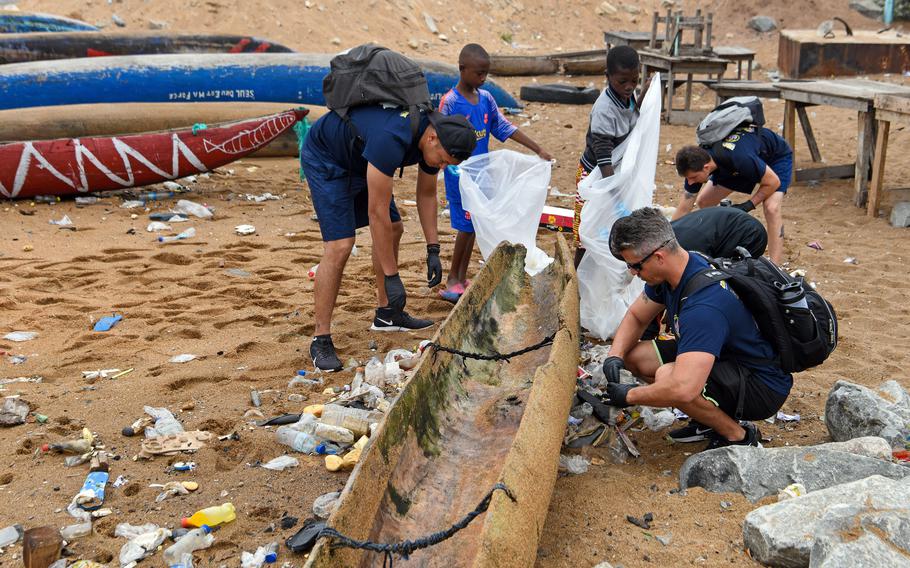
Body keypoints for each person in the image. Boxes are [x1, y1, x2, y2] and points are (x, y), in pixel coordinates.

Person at [301, 103, 476, 371]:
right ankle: (320, 338)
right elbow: (376, 213)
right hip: (328, 159)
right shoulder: (392, 137)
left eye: (446, 165)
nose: (440, 166)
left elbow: (427, 194)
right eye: (441, 160)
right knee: (341, 245)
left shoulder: (433, 137)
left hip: (362, 158)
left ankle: (386, 315)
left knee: (395, 228)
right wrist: (392, 277)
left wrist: (433, 248)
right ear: (432, 138)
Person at [600, 207, 792, 449]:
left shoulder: (704, 307)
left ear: (659, 257)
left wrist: (628, 395)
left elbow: (683, 387)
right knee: (635, 357)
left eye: (636, 266)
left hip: (760, 384)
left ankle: (738, 436)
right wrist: (614, 357)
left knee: (669, 377)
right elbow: (638, 316)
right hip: (727, 358)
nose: (632, 272)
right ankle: (708, 417)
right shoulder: (679, 267)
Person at [437, 43, 552, 302]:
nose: (483, 78)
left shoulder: (486, 99)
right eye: (478, 73)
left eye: (486, 74)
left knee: (475, 224)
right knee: (466, 226)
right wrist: (446, 166)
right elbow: (439, 135)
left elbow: (503, 127)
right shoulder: (451, 102)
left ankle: (461, 276)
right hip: (460, 176)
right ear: (462, 69)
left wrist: (538, 149)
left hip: (482, 175)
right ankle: (453, 279)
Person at [672, 125, 793, 265]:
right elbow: (684, 207)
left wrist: (749, 205)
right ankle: (718, 242)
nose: (690, 182)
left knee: (771, 208)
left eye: (693, 178)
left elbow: (772, 182)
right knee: (704, 202)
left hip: (773, 157)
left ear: (706, 168)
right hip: (736, 166)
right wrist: (666, 240)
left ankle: (775, 267)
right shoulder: (698, 160)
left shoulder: (739, 157)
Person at [574, 45, 647, 268]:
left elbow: (634, 118)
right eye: (622, 81)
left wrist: (646, 94)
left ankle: (597, 274)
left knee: (608, 229)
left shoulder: (628, 96)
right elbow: (603, 155)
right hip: (595, 177)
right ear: (608, 77)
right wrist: (613, 192)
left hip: (615, 174)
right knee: (586, 232)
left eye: (634, 81)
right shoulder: (604, 110)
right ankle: (576, 279)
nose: (629, 87)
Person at [671, 205, 767, 259]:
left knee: (730, 277)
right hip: (726, 225)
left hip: (750, 233)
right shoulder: (666, 233)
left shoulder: (686, 249)